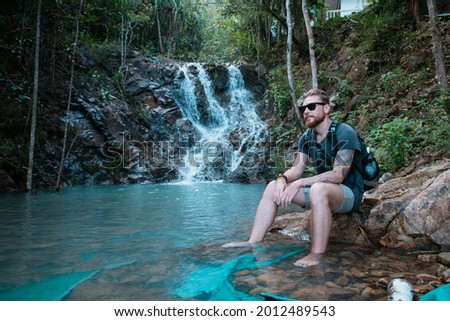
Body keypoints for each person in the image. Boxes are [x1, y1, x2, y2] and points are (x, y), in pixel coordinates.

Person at [223, 89, 364, 267]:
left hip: (349, 193)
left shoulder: (344, 132)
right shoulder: (307, 138)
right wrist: (282, 179)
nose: (306, 111)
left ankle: (316, 254)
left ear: (326, 108)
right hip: (320, 193)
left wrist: (299, 183)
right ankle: (253, 241)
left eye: (312, 106)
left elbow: (338, 175)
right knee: (272, 186)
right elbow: (296, 169)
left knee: (317, 189)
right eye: (304, 108)